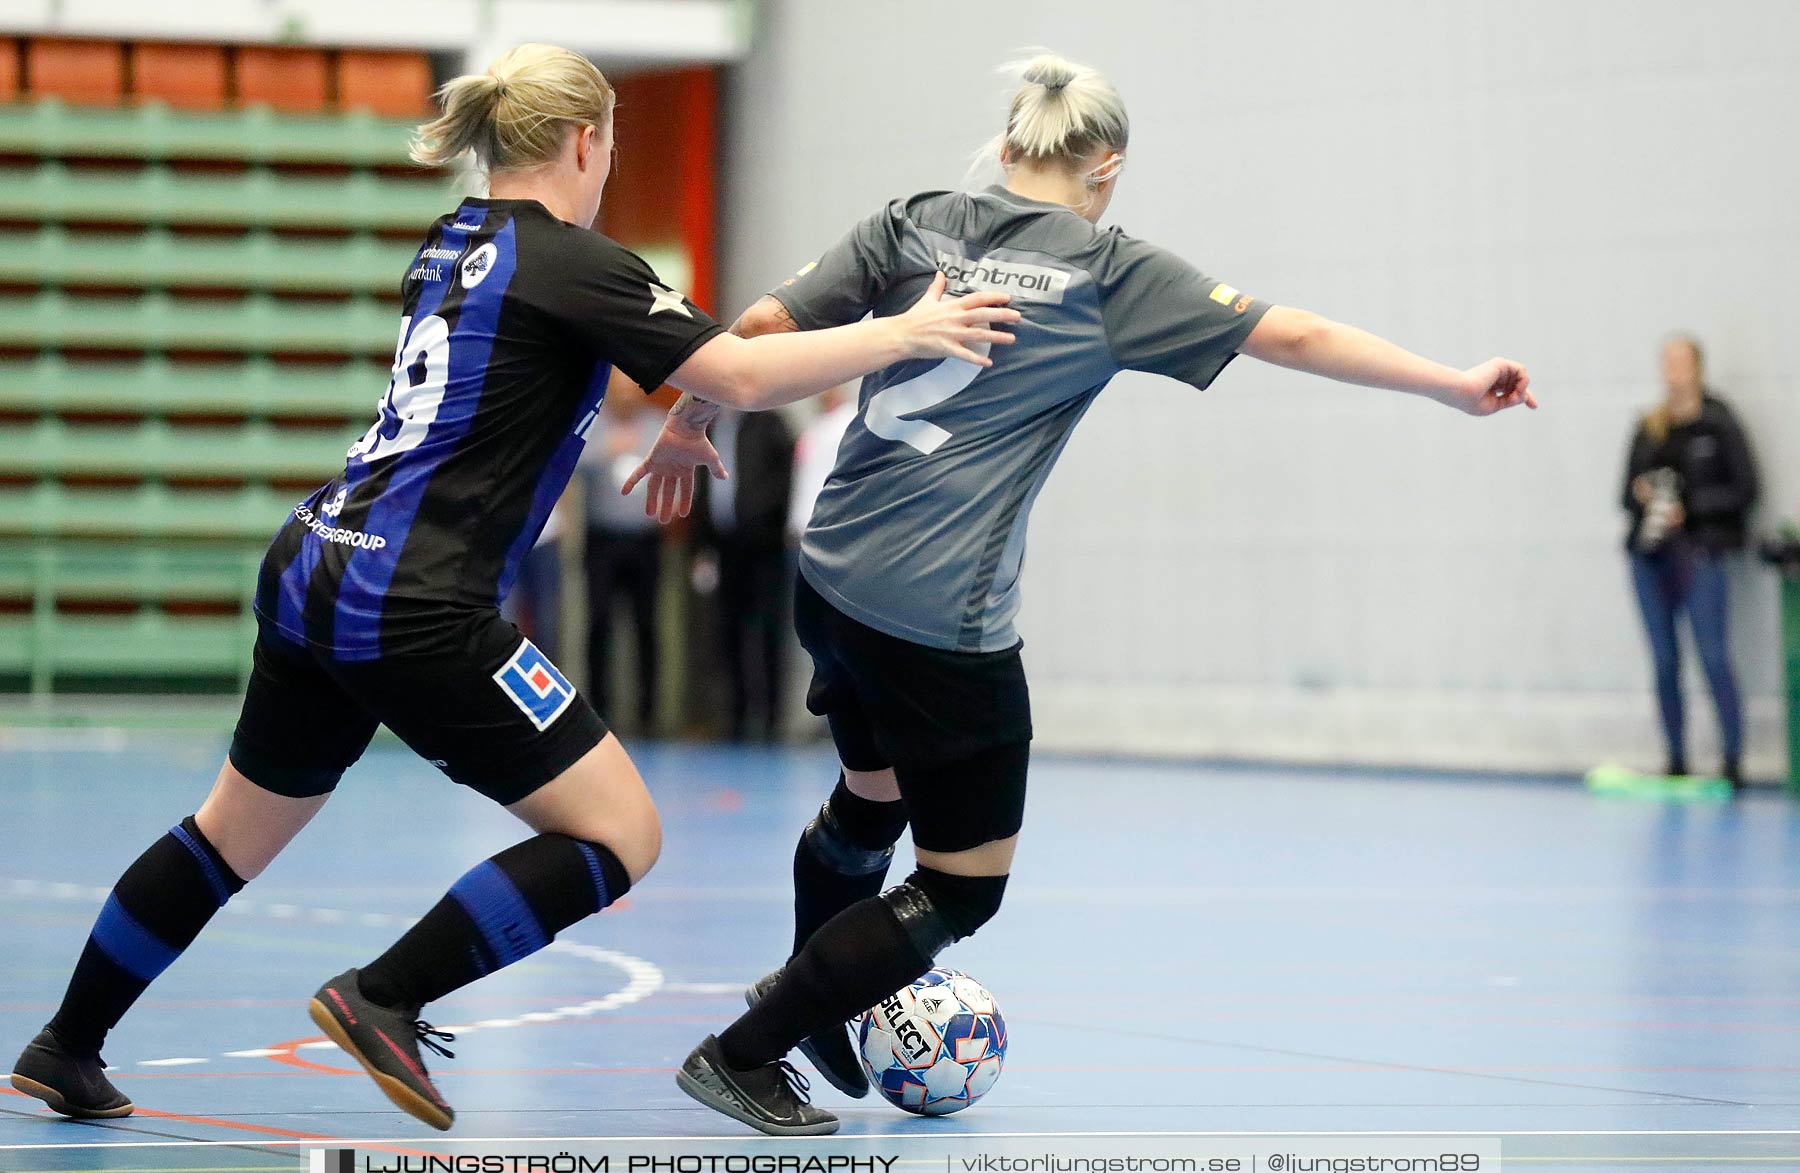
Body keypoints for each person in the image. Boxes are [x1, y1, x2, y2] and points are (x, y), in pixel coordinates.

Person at [6, 43, 1019, 1131]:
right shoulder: (575, 260)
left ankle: (66, 1046)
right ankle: (384, 994)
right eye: (611, 145)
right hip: (417, 600)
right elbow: (735, 367)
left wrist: (682, 419)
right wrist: (904, 332)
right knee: (621, 833)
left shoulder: (452, 243)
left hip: (316, 560)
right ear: (586, 142)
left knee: (225, 837)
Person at [624, 52, 1536, 1136]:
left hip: (831, 576)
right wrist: (1449, 383)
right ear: (1108, 166)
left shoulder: (914, 217)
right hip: (937, 614)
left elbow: (761, 331)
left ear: (1009, 148)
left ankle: (821, 995)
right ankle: (751, 1046)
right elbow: (1288, 333)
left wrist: (691, 419)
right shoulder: (1107, 271)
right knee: (961, 885)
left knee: (872, 800)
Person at [1621, 335, 1759, 788]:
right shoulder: (1650, 425)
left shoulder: (1718, 422)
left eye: (1682, 361)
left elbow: (1745, 490)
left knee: (1713, 655)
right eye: (1667, 361)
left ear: (1698, 367)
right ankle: (1676, 758)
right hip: (1652, 558)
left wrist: (1692, 507)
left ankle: (1733, 760)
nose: (1673, 369)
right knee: (1664, 660)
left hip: (1699, 554)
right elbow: (1625, 493)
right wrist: (1645, 496)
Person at [694, 406, 796, 741]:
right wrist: (702, 548)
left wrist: (767, 522)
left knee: (768, 632)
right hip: (723, 547)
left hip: (765, 547)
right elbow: (701, 489)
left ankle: (770, 720)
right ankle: (736, 717)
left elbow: (785, 479)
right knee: (728, 631)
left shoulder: (770, 423)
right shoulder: (707, 427)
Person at [582, 391, 669, 732]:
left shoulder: (657, 424)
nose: (626, 393)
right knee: (599, 623)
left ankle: (648, 713)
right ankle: (597, 709)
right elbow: (571, 462)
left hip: (646, 540)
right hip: (602, 539)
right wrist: (607, 449)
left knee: (646, 625)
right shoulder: (595, 422)